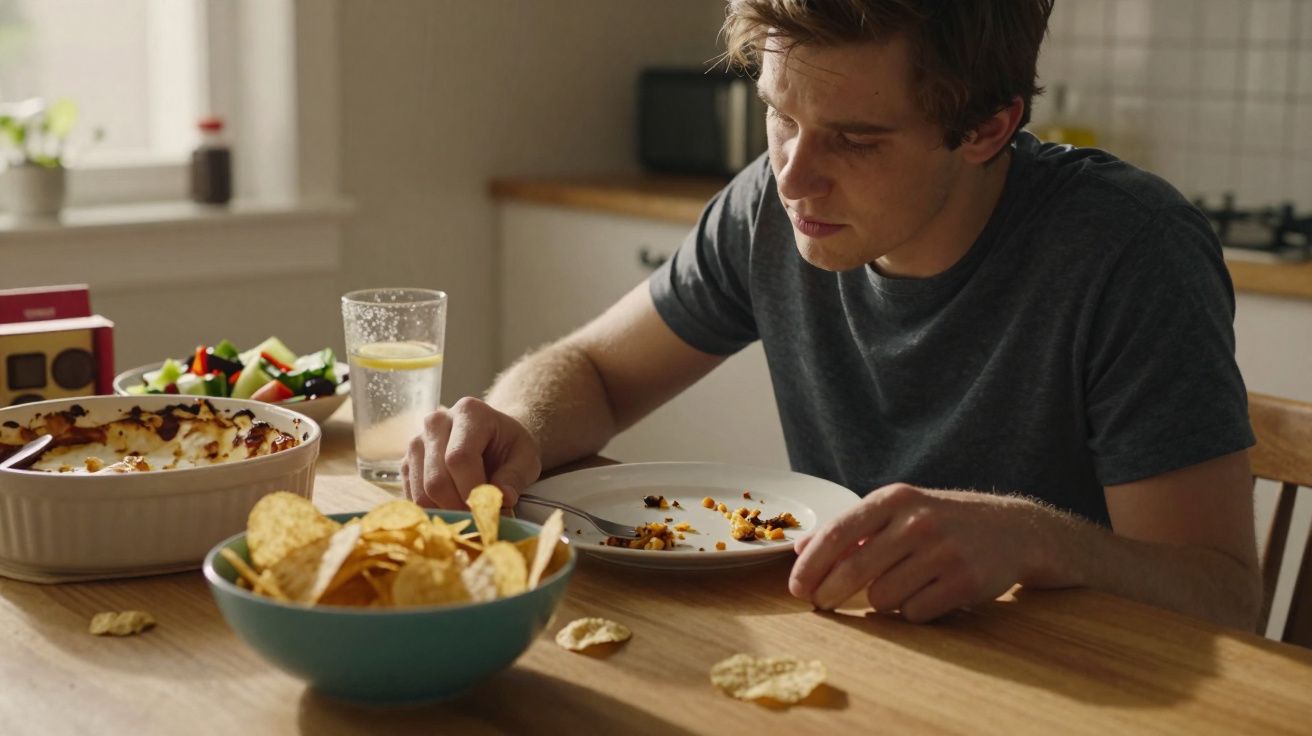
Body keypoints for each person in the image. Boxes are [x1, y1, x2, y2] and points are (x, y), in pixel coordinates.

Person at [402, 0, 1262, 630]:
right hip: (861, 665)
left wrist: (1039, 542)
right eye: (779, 114)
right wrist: (513, 425)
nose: (793, 176)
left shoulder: (1130, 251)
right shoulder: (764, 214)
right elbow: (590, 370)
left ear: (988, 128)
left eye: (855, 139)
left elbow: (1223, 594)